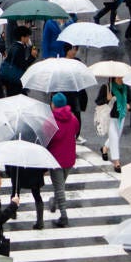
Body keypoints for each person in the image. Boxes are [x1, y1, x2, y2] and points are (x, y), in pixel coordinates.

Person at [47, 93, 79, 228]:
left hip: (55, 159)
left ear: (54, 104)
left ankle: (64, 216)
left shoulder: (50, 121)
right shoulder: (73, 119)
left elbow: (46, 140)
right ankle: (54, 202)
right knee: (60, 185)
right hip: (70, 157)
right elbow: (76, 132)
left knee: (60, 188)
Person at [97, 76, 130, 173]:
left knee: (116, 137)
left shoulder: (125, 88)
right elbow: (98, 101)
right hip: (109, 117)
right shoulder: (107, 87)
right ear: (114, 78)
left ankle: (105, 148)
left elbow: (129, 100)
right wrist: (107, 99)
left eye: (122, 77)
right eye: (119, 77)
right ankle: (116, 162)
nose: (121, 79)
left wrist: (129, 105)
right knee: (114, 138)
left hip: (121, 116)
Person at [2, 25, 37, 96]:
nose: (28, 39)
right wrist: (32, 57)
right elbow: (23, 66)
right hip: (15, 83)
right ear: (22, 38)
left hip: (10, 81)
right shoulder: (19, 49)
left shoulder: (14, 46)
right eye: (27, 37)